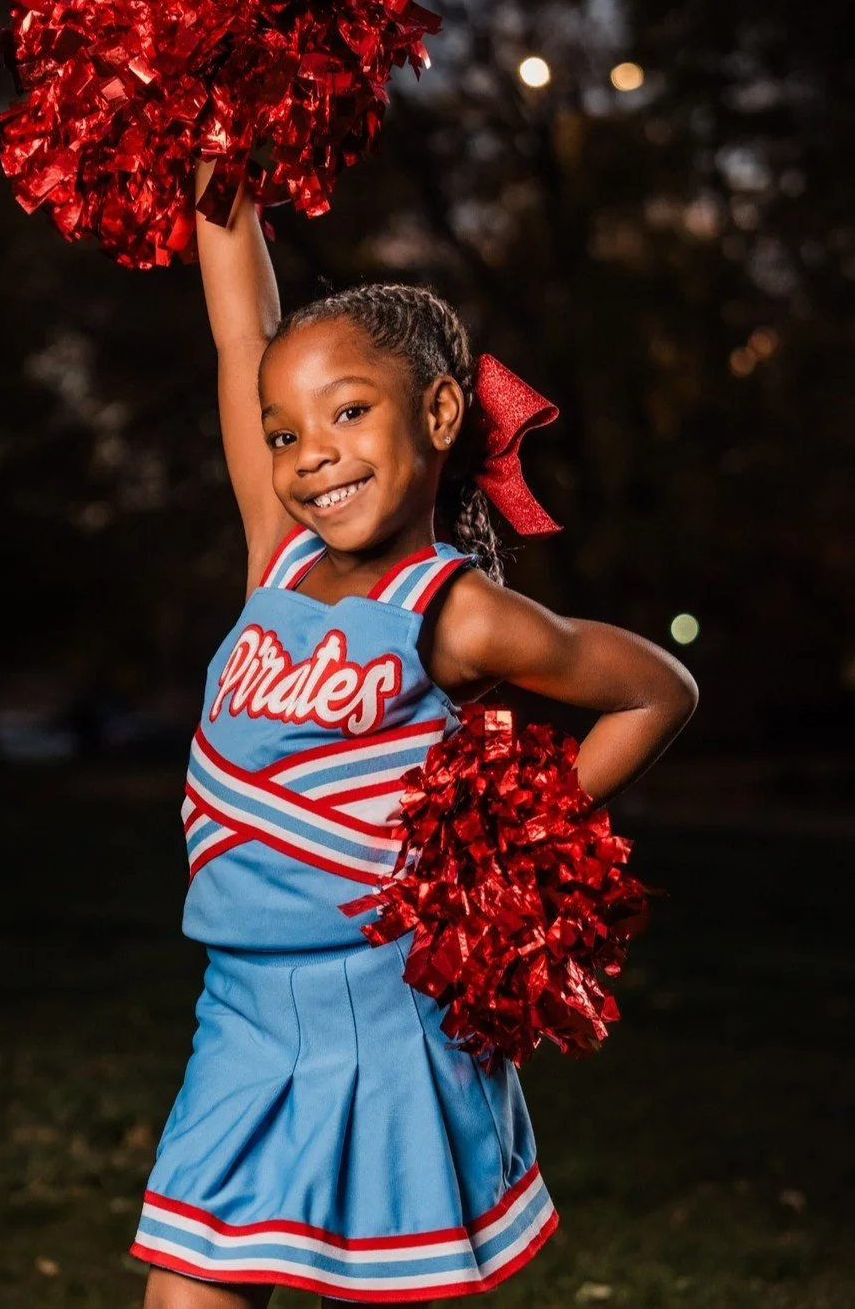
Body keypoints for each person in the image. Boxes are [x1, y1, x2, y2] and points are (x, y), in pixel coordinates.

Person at [130, 161, 699, 1308]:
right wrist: (219, 163)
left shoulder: (457, 610)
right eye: (285, 435)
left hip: (389, 1008)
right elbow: (240, 329)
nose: (314, 455)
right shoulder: (273, 556)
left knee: (388, 1295)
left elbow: (657, 690)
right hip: (240, 1006)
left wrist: (519, 848)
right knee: (188, 1288)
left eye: (349, 412)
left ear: (439, 413)